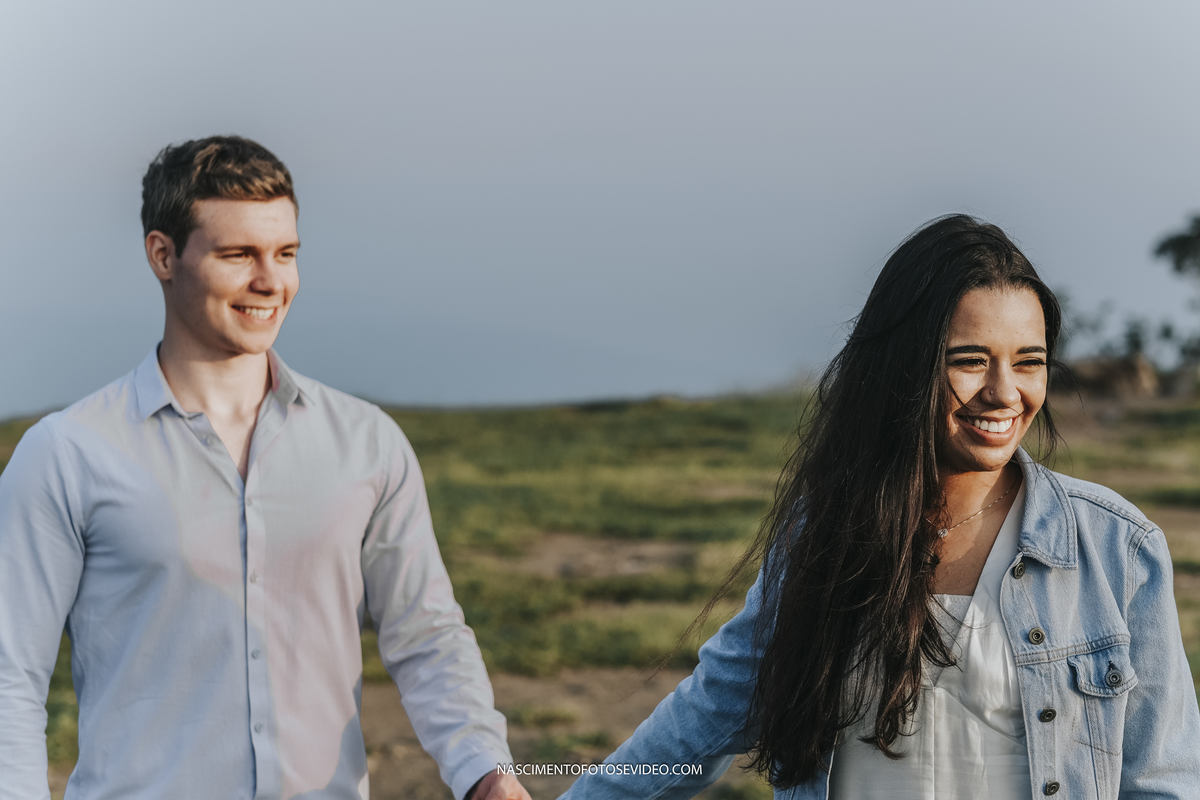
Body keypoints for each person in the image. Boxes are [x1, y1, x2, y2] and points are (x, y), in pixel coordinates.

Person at [559, 215, 1200, 800]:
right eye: (970, 361)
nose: (1005, 393)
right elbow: (701, 722)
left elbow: (1164, 782)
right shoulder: (826, 536)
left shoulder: (1117, 548)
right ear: (903, 366)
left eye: (1028, 362)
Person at [0, 136, 530, 800]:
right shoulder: (66, 455)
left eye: (285, 254)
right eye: (238, 255)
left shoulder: (368, 444)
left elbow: (427, 636)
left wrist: (485, 770)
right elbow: (8, 674)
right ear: (163, 255)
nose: (270, 281)